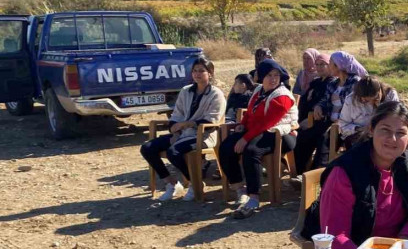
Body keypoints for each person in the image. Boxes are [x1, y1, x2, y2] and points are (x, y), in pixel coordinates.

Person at [300, 101, 408, 249]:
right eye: (385, 130)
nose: (392, 138)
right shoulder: (345, 173)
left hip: (399, 248)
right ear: (371, 130)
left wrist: (405, 240)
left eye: (400, 133)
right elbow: (336, 236)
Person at [218, 59, 298, 219]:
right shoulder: (259, 90)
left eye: (276, 75)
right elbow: (250, 112)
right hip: (257, 131)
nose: (273, 78)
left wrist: (245, 139)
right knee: (226, 146)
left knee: (251, 150)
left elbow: (268, 122)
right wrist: (242, 124)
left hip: (281, 135)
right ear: (262, 76)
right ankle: (240, 188)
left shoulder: (282, 96)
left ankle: (254, 197)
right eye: (269, 75)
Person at [140, 55, 225, 202]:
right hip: (182, 134)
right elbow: (177, 114)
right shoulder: (186, 91)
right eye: (194, 71)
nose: (197, 74)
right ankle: (172, 184)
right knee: (147, 148)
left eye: (201, 71)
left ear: (209, 73)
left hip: (203, 135)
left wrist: (186, 125)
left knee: (174, 152)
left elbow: (213, 120)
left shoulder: (216, 94)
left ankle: (195, 183)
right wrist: (176, 131)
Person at [292, 53, 337, 174]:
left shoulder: (332, 82)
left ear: (330, 66)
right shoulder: (316, 82)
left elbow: (326, 104)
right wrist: (302, 119)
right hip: (308, 119)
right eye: (317, 64)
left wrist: (310, 119)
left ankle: (314, 174)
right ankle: (298, 171)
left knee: (319, 137)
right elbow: (304, 101)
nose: (319, 67)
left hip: (324, 120)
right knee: (301, 135)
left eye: (323, 64)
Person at [338, 76, 399, 148]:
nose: (369, 103)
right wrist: (360, 129)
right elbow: (343, 125)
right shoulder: (351, 100)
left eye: (374, 99)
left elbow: (396, 119)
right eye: (365, 100)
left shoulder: (390, 95)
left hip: (384, 134)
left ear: (379, 91)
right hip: (359, 136)